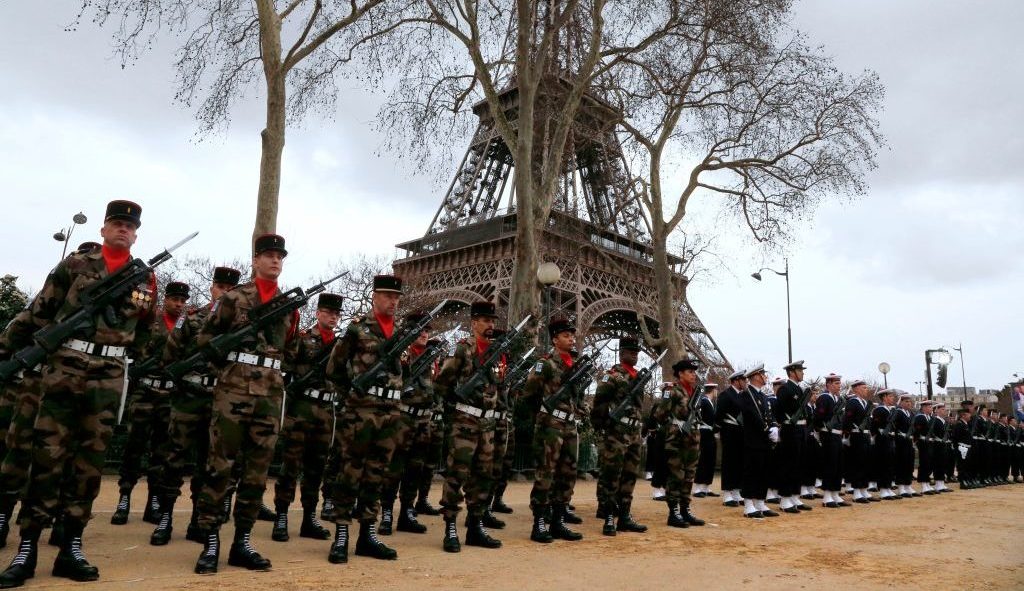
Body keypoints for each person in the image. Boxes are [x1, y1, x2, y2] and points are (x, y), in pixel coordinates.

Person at [0, 200, 156, 586]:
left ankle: (71, 545)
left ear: (136, 235)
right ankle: (27, 547)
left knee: (90, 463)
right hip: (65, 368)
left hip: (109, 377)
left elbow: (146, 332)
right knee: (47, 456)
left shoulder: (145, 279)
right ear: (103, 230)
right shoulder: (75, 265)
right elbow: (40, 311)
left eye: (130, 226)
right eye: (116, 223)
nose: (123, 229)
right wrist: (9, 353)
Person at [192, 234, 298, 575]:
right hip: (233, 391)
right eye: (269, 255)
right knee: (219, 466)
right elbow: (205, 341)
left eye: (280, 256)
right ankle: (210, 539)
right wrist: (227, 372)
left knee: (257, 472)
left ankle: (242, 541)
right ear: (255, 260)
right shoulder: (234, 298)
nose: (275, 260)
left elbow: (291, 351)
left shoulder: (289, 306)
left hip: (270, 395)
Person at [149, 266, 241, 546]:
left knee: (208, 463)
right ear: (212, 288)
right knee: (174, 458)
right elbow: (169, 356)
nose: (224, 293)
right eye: (221, 287)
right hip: (188, 397)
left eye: (230, 290)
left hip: (218, 398)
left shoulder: (239, 327)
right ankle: (165, 518)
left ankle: (197, 521)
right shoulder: (191, 319)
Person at [323, 275, 406, 564]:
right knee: (350, 472)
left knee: (377, 474)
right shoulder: (357, 329)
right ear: (374, 297)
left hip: (390, 413)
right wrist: (353, 395)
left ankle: (367, 534)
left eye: (396, 297)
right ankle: (341, 533)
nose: (393, 301)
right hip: (360, 412)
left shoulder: (401, 332)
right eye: (387, 296)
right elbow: (334, 368)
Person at [112, 281, 190, 527]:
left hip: (169, 394)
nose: (179, 304)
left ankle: (153, 501)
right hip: (145, 391)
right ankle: (124, 497)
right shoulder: (150, 319)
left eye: (183, 301)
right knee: (134, 447)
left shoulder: (186, 325)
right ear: (165, 299)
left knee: (161, 451)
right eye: (175, 299)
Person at [270, 293, 343, 543]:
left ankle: (309, 517)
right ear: (318, 313)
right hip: (301, 407)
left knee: (316, 467)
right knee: (291, 464)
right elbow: (285, 368)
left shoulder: (340, 345)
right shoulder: (303, 340)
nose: (333, 317)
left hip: (325, 410)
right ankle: (281, 515)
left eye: (336, 314)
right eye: (328, 312)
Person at [433, 301, 505, 552]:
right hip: (464, 422)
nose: (490, 324)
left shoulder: (497, 352)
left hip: (487, 423)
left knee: (483, 476)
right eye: (485, 320)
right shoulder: (463, 350)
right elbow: (442, 383)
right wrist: (455, 408)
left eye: (492, 321)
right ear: (474, 323)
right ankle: (450, 527)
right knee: (457, 474)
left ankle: (475, 525)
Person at [523, 316, 587, 544]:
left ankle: (558, 521)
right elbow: (529, 394)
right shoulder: (546, 364)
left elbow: (578, 396)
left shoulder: (575, 364)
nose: (571, 339)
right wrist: (543, 416)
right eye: (566, 336)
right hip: (550, 425)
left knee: (568, 474)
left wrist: (580, 410)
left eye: (572, 336)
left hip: (569, 425)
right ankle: (539, 522)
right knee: (546, 473)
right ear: (554, 339)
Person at [377, 312, 438, 538]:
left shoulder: (432, 356)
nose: (424, 334)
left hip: (424, 420)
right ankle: (386, 513)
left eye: (427, 330)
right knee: (394, 468)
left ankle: (407, 512)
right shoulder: (401, 353)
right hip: (403, 417)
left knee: (415, 469)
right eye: (420, 329)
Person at [591, 337, 648, 535]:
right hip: (616, 431)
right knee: (611, 475)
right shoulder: (612, 376)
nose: (635, 355)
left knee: (630, 476)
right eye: (631, 352)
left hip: (633, 432)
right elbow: (599, 404)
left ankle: (624, 516)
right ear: (621, 353)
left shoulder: (638, 377)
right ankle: (608, 517)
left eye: (637, 352)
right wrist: (604, 427)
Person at [652, 358, 706, 528]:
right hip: (677, 439)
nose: (693, 375)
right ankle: (673, 512)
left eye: (694, 372)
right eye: (690, 371)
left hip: (693, 438)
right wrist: (674, 425)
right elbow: (659, 414)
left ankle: (685, 509)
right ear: (680, 373)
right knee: (676, 476)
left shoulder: (695, 392)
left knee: (689, 476)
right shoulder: (672, 391)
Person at [738, 365, 779, 518]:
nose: (765, 376)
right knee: (751, 472)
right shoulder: (746, 394)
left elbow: (769, 414)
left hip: (764, 440)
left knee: (763, 471)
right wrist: (766, 429)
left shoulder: (763, 396)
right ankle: (748, 505)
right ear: (756, 376)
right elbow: (751, 415)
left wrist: (774, 426)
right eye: (763, 374)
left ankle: (760, 501)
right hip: (752, 440)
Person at [775, 360, 809, 512]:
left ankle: (795, 496)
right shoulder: (785, 389)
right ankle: (785, 499)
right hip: (790, 429)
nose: (802, 373)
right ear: (792, 372)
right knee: (788, 464)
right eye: (800, 371)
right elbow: (778, 410)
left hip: (800, 429)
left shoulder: (800, 389)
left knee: (799, 464)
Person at [715, 371, 747, 507]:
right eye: (743, 380)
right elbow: (719, 414)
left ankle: (736, 490)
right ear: (735, 381)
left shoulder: (743, 395)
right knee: (729, 461)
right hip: (729, 430)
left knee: (739, 461)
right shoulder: (726, 395)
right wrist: (718, 430)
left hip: (740, 431)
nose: (745, 382)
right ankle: (727, 493)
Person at [813, 373, 845, 507]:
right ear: (829, 385)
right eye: (836, 383)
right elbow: (818, 417)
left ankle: (835, 493)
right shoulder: (824, 398)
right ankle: (827, 496)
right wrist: (821, 429)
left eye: (839, 383)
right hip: (828, 434)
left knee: (838, 465)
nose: (839, 386)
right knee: (830, 465)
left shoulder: (839, 399)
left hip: (837, 435)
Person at [842, 380, 873, 503]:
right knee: (857, 463)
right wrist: (847, 436)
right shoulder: (852, 402)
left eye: (866, 387)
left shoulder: (866, 403)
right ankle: (856, 492)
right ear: (856, 389)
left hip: (865, 435)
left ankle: (864, 489)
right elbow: (847, 420)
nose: (866, 389)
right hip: (856, 435)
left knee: (866, 462)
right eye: (863, 387)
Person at [692, 383, 718, 498]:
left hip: (710, 432)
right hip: (705, 432)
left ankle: (706, 486)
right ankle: (698, 488)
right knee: (704, 459)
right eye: (716, 390)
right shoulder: (704, 401)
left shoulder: (710, 402)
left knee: (710, 459)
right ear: (713, 390)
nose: (717, 392)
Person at [892, 393, 916, 498]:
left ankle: (908, 485)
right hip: (900, 440)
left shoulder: (911, 414)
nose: (909, 403)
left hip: (909, 440)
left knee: (909, 463)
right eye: (906, 401)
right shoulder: (898, 412)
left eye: (910, 401)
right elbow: (893, 425)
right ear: (901, 402)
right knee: (901, 463)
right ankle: (901, 487)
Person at [911, 400, 935, 495]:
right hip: (923, 442)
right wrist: (916, 440)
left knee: (929, 462)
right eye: (929, 407)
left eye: (931, 407)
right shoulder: (920, 417)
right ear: (924, 407)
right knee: (924, 462)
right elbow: (917, 430)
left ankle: (927, 482)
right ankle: (923, 484)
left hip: (930, 442)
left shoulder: (930, 417)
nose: (931, 408)